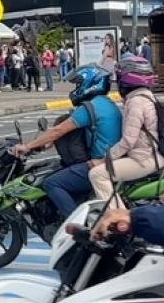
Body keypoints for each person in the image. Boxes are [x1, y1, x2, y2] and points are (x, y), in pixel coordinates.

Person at [13, 65, 122, 217]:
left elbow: (58, 131)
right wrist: (43, 144)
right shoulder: (108, 103)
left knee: (52, 183)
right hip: (112, 161)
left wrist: (27, 146)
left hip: (99, 164)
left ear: (90, 83)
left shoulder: (90, 107)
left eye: (78, 84)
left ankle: (75, 226)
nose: (76, 88)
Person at [88, 56, 161, 208]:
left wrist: (104, 159)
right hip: (152, 155)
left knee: (97, 175)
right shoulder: (146, 97)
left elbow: (128, 141)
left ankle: (118, 220)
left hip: (144, 159)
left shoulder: (136, 102)